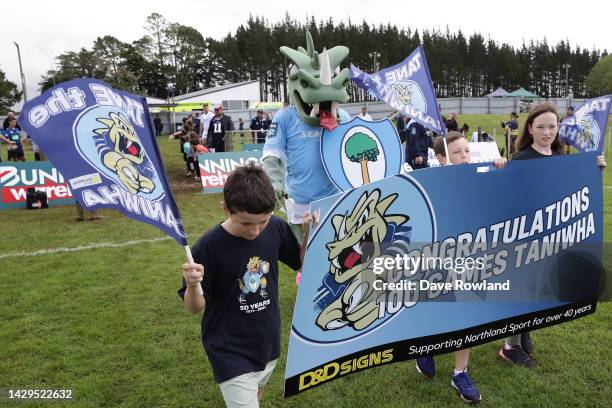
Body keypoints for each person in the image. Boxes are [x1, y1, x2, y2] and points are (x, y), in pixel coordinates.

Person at [178, 164, 309, 408]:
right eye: (246, 224)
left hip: (268, 343)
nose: (256, 231)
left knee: (256, 391)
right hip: (230, 349)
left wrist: (310, 234)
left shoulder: (276, 228)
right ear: (225, 208)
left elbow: (302, 263)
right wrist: (192, 286)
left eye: (263, 221)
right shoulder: (207, 247)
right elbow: (194, 308)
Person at [498, 101, 606, 369]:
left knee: (538, 290)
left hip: (553, 236)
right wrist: (500, 168)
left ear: (558, 128)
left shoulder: (559, 157)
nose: (547, 132)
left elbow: (574, 192)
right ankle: (509, 347)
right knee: (525, 290)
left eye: (552, 126)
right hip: (526, 237)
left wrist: (595, 171)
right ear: (530, 129)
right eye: (541, 126)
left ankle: (523, 331)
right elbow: (504, 197)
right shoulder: (521, 160)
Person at [417, 132, 507, 404]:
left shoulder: (479, 177)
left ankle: (460, 372)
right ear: (442, 157)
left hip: (470, 258)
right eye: (458, 153)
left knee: (465, 314)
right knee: (438, 312)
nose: (465, 157)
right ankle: (426, 348)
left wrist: (500, 169)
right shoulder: (431, 182)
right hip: (437, 260)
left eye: (467, 151)